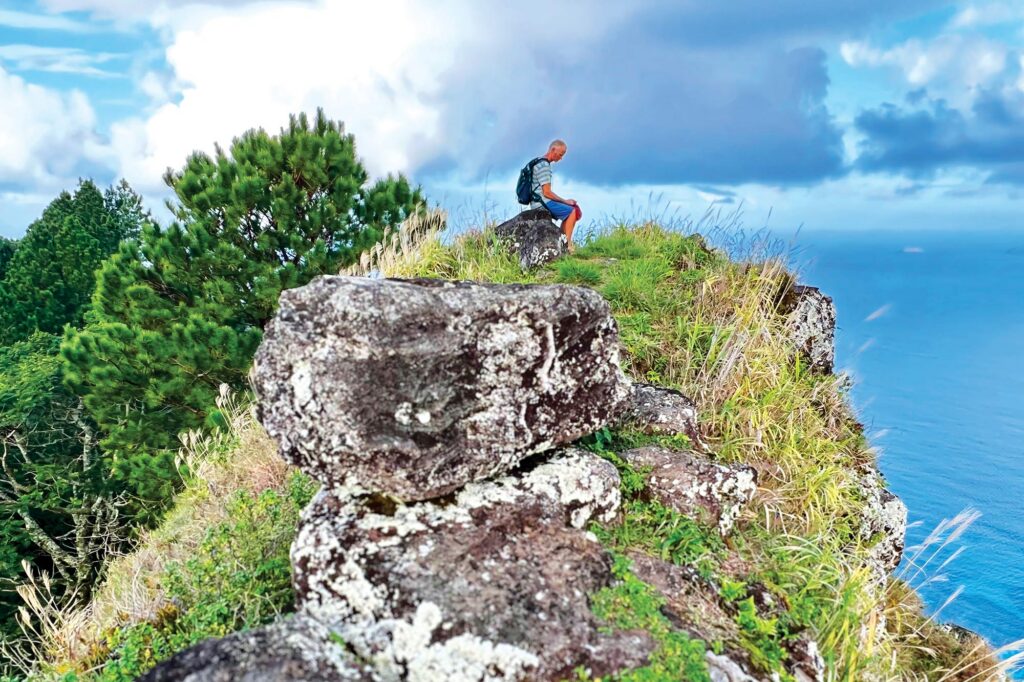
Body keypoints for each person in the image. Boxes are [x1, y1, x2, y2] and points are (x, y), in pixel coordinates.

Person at [530, 139, 582, 253]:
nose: (561, 158)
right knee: (572, 211)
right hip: (542, 202)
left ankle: (562, 240)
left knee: (571, 210)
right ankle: (567, 245)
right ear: (553, 150)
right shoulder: (544, 166)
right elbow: (547, 192)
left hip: (537, 201)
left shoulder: (539, 162)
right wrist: (565, 201)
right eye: (560, 154)